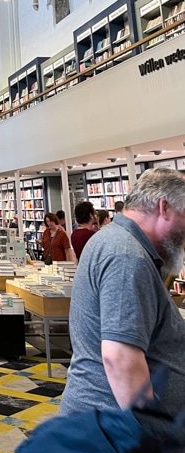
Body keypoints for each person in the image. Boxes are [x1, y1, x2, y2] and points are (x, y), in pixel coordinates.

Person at [60, 168, 185, 418]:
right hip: (113, 433)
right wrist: (157, 436)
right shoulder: (127, 256)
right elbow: (121, 359)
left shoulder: (113, 240)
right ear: (165, 208)